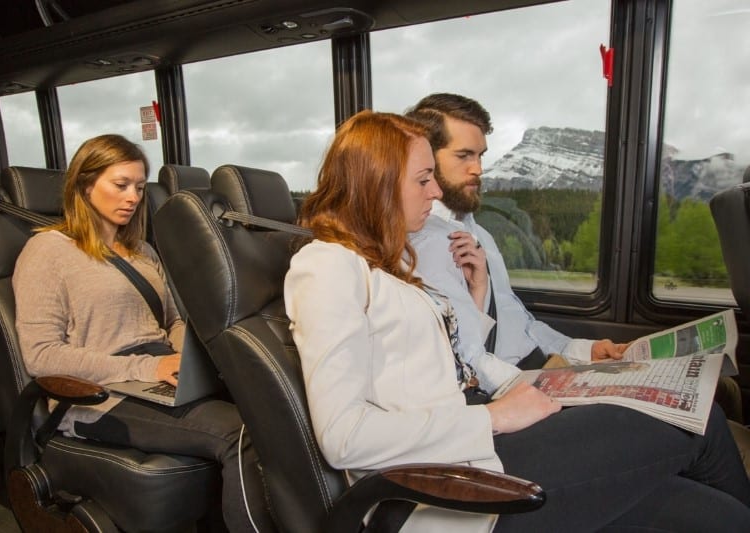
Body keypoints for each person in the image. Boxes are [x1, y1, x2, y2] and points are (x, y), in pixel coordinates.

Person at [284, 110, 750, 532]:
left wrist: (540, 390)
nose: (435, 191)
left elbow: (463, 360)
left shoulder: (390, 264)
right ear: (378, 184)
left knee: (716, 516)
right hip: (443, 485)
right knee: (698, 420)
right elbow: (343, 437)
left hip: (476, 444)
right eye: (423, 178)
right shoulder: (326, 267)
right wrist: (495, 416)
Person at [12, 134, 274, 532]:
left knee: (272, 410)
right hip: (95, 397)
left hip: (157, 375)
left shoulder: (144, 253)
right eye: (120, 185)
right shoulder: (47, 252)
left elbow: (173, 323)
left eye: (138, 186)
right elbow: (42, 356)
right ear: (85, 185)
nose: (133, 197)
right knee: (242, 435)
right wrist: (150, 369)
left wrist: (189, 361)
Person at [405, 93, 627, 380]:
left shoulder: (477, 232)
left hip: (538, 365)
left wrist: (583, 350)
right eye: (464, 156)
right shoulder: (424, 243)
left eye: (480, 155)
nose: (478, 169)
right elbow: (459, 356)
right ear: (427, 157)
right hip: (507, 383)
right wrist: (524, 388)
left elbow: (517, 319)